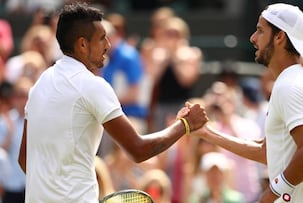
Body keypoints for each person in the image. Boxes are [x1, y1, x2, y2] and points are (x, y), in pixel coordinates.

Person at [17, 3, 208, 203]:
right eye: (102, 38)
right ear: (82, 44)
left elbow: (24, 160)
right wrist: (185, 124)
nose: (108, 45)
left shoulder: (39, 85)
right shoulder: (92, 86)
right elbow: (138, 149)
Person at [190, 3, 303, 203]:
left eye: (260, 31)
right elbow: (269, 152)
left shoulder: (289, 86)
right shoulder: (300, 80)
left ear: (279, 37)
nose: (253, 38)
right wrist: (208, 133)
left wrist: (272, 194)